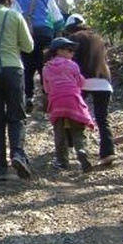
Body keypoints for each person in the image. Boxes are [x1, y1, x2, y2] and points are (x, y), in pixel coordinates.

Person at [0, 0, 34, 180]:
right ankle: (18, 154)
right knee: (17, 115)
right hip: (13, 68)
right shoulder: (14, 16)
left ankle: (1, 167)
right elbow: (28, 46)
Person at [64, 14, 116, 165]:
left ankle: (73, 146)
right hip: (103, 81)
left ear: (70, 28)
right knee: (102, 118)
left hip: (83, 80)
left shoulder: (74, 38)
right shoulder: (99, 38)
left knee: (72, 113)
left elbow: (71, 61)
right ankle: (108, 152)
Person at [42, 37, 94, 171]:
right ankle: (82, 150)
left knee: (59, 133)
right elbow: (80, 83)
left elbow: (47, 89)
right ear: (59, 51)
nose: (72, 52)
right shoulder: (73, 65)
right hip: (73, 99)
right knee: (78, 129)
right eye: (69, 50)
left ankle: (62, 162)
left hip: (56, 101)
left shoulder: (46, 68)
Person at [14, 0, 64, 112]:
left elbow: (13, 15)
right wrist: (57, 36)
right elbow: (58, 20)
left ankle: (28, 97)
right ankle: (47, 98)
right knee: (45, 66)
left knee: (28, 67)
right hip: (45, 33)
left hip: (26, 33)